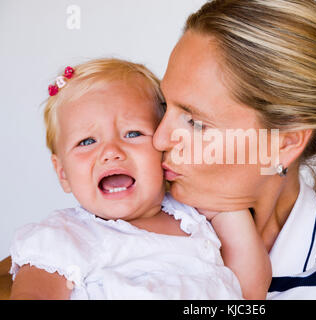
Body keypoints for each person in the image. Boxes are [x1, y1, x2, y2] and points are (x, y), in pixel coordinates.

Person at [151, 0, 316, 299]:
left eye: (195, 123)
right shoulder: (122, 225)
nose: (159, 139)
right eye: (165, 105)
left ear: (285, 143)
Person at [8, 58, 271, 300]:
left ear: (164, 148)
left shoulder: (195, 215)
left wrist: (226, 206)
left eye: (133, 133)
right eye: (86, 141)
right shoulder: (64, 236)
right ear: (63, 173)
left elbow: (249, 289)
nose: (111, 152)